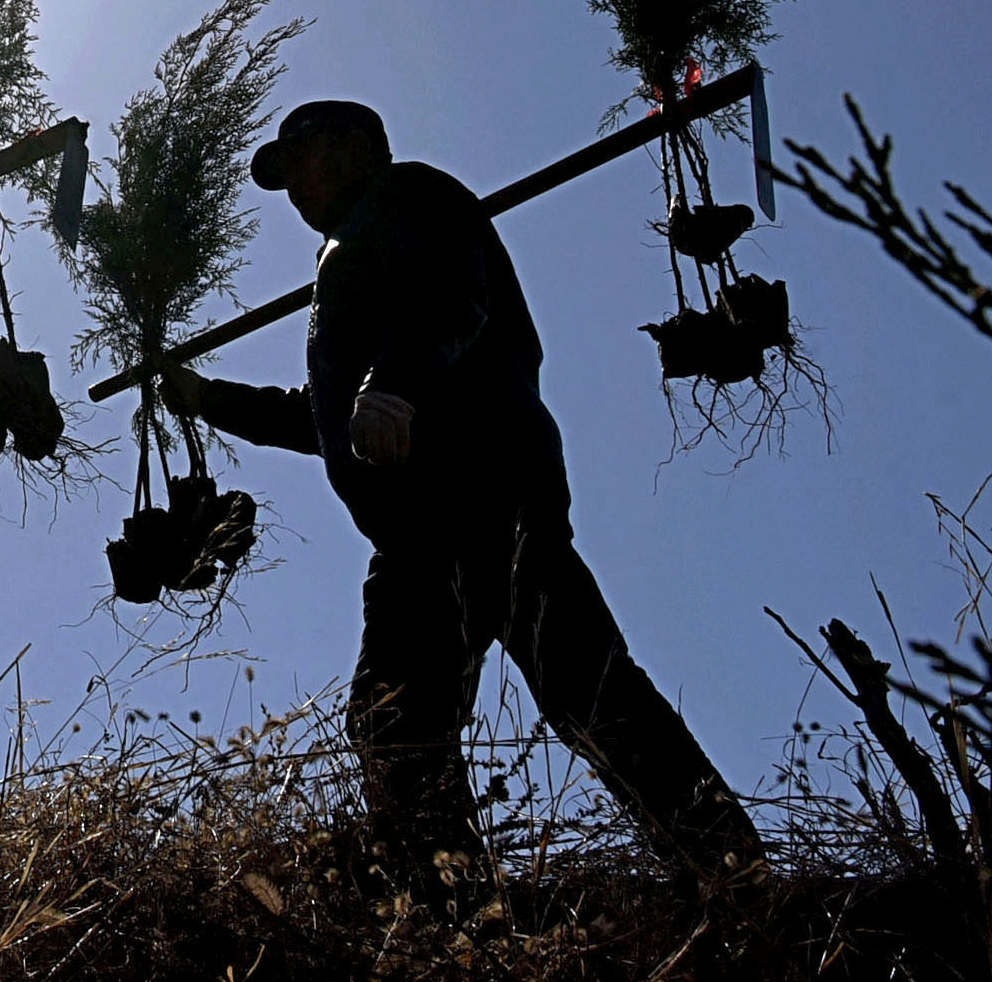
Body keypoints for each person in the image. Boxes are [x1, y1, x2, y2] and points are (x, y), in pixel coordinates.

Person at [164, 100, 764, 887]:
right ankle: (456, 906)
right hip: (418, 530)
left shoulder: (410, 197)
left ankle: (730, 873)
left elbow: (453, 296)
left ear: (358, 146)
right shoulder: (348, 256)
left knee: (569, 688)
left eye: (302, 157)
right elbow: (325, 418)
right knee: (415, 719)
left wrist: (396, 383)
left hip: (482, 494)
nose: (296, 186)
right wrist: (211, 399)